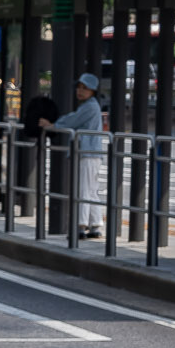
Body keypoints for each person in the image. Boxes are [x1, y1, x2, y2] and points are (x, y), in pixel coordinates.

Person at [53, 70, 108, 237]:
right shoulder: (90, 106)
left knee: (83, 189)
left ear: (92, 91)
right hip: (92, 153)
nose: (80, 91)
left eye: (85, 88)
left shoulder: (89, 107)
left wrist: (52, 124)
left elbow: (72, 120)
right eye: (79, 87)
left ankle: (80, 225)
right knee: (91, 190)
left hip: (87, 153)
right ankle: (95, 225)